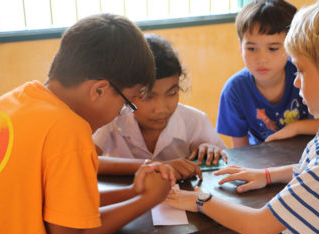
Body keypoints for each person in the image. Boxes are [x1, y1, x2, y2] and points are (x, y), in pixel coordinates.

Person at [165, 0, 319, 234]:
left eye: (300, 71)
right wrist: (267, 175)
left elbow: (259, 226)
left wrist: (199, 200)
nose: (296, 82)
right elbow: (315, 169)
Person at [0, 14, 175, 234]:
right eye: (127, 103)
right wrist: (148, 199)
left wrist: (131, 192)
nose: (119, 114)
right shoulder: (69, 129)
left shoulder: (13, 101)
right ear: (99, 90)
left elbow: (63, 208)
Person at [94, 34, 227, 180]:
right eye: (147, 96)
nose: (161, 109)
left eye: (172, 93)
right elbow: (88, 162)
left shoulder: (195, 120)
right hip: (131, 198)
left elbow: (224, 162)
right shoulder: (112, 119)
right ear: (127, 92)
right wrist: (152, 166)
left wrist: (210, 149)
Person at [216, 0, 319, 148]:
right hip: (261, 162)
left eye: (273, 48)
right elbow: (240, 152)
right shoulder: (234, 91)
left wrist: (295, 128)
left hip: (308, 153)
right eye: (251, 48)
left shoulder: (303, 75)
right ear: (240, 46)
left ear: (291, 45)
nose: (261, 59)